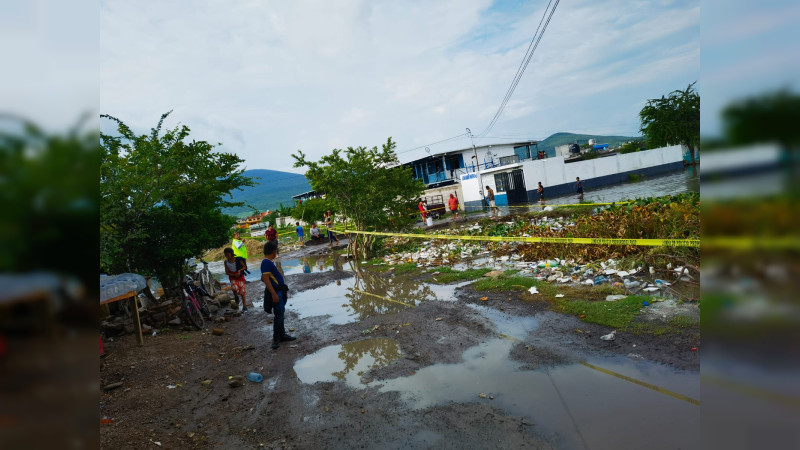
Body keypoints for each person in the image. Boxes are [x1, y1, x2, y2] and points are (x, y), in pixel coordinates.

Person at [261, 240, 295, 349]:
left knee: (280, 314)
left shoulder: (268, 262)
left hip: (279, 291)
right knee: (278, 315)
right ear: (273, 251)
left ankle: (282, 334)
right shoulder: (266, 262)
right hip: (277, 293)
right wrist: (274, 293)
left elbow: (263, 278)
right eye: (276, 250)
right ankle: (276, 339)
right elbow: (265, 279)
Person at [223, 247, 248, 312]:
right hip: (232, 276)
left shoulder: (239, 259)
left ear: (232, 254)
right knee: (234, 287)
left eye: (228, 255)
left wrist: (239, 271)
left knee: (242, 291)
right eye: (225, 255)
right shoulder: (226, 262)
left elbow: (244, 267)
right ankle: (236, 296)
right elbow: (227, 272)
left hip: (240, 276)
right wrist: (233, 275)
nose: (227, 256)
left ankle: (245, 306)